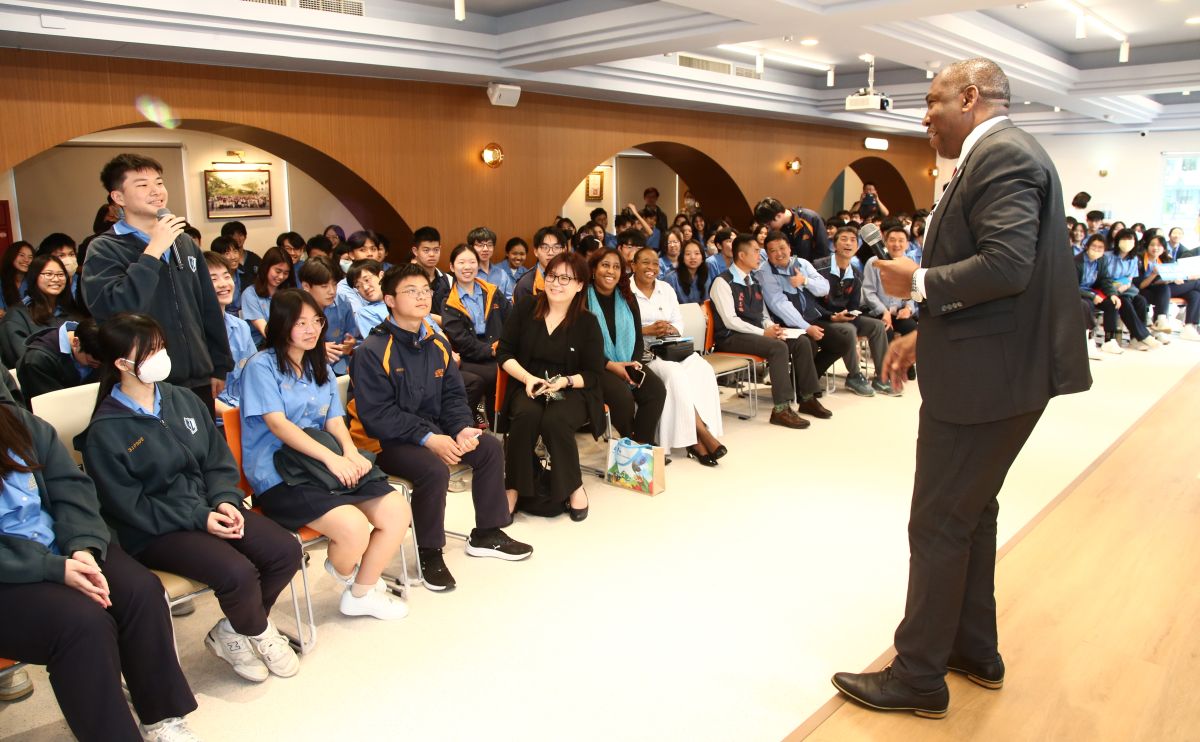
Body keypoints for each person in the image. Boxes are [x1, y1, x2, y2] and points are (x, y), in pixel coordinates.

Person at [831, 57, 1091, 719]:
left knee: (939, 520)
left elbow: (1006, 266)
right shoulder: (1000, 154)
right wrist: (927, 333)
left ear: (970, 97)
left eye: (932, 101)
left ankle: (918, 676)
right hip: (993, 366)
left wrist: (916, 282)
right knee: (972, 513)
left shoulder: (1002, 156)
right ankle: (973, 648)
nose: (924, 117)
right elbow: (998, 280)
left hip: (989, 381)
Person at [77, 313, 304, 682]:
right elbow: (131, 506)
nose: (160, 356)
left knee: (285, 551)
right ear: (121, 364)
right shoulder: (105, 431)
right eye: (149, 351)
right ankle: (259, 632)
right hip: (156, 531)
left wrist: (226, 500)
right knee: (237, 572)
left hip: (209, 507)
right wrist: (200, 518)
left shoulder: (181, 398)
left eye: (160, 347)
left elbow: (216, 460)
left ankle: (232, 631)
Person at [0, 400, 202, 741]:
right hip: (11, 574)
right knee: (82, 625)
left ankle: (162, 717)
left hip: (61, 545)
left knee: (140, 591)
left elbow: (71, 487)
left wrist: (82, 545)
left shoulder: (16, 421)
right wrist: (52, 567)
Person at [348, 264, 531, 592]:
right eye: (411, 291)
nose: (421, 297)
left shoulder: (437, 343)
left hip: (432, 431)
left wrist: (460, 428)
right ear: (390, 300)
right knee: (433, 470)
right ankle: (428, 551)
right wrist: (429, 438)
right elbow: (378, 415)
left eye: (425, 290)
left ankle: (487, 532)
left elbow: (452, 395)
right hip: (384, 442)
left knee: (488, 447)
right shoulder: (372, 351)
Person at [240, 289, 411, 620]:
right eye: (300, 323)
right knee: (353, 528)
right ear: (281, 325)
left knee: (396, 510)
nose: (311, 329)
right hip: (279, 475)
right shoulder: (261, 366)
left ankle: (360, 592)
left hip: (324, 466)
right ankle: (349, 573)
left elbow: (334, 420)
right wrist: (333, 460)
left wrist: (349, 452)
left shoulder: (318, 364)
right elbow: (278, 425)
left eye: (316, 321)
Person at [82, 153, 233, 418]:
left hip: (198, 378)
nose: (156, 191)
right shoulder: (104, 248)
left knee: (204, 444)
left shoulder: (183, 242)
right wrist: (153, 251)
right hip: (146, 381)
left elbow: (207, 307)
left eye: (159, 183)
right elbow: (115, 309)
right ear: (118, 197)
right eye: (142, 185)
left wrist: (218, 365)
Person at [496, 252, 605, 520]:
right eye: (552, 276)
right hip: (528, 382)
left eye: (565, 278)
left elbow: (593, 374)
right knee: (526, 416)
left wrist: (565, 381)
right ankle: (514, 487)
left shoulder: (588, 322)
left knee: (556, 420)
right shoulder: (526, 308)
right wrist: (527, 379)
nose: (556, 283)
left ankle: (573, 486)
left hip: (570, 388)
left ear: (579, 285)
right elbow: (504, 352)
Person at [709, 234, 829, 429]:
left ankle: (807, 398)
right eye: (756, 251)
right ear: (742, 255)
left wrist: (771, 327)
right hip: (731, 337)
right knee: (778, 348)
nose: (760, 255)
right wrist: (763, 333)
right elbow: (731, 321)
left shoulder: (754, 280)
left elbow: (762, 314)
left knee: (802, 341)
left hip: (755, 334)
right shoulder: (723, 282)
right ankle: (781, 409)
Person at [629, 247, 726, 463]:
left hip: (670, 348)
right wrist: (646, 330)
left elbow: (678, 320)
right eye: (645, 262)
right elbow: (622, 328)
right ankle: (698, 437)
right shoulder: (625, 291)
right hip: (645, 355)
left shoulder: (665, 288)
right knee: (675, 374)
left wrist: (672, 329)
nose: (651, 268)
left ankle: (701, 432)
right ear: (633, 265)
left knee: (703, 369)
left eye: (655, 263)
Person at [756, 231, 858, 395]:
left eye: (782, 248)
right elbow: (779, 305)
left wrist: (805, 281)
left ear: (789, 248)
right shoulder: (764, 272)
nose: (779, 253)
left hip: (810, 317)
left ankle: (806, 382)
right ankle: (805, 389)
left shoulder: (802, 263)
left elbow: (824, 288)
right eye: (773, 251)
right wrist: (806, 327)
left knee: (841, 342)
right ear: (767, 254)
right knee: (809, 344)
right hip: (784, 323)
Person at [588, 250, 667, 446]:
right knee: (622, 398)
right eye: (605, 265)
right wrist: (611, 365)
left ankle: (642, 444)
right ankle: (631, 444)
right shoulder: (581, 299)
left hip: (627, 360)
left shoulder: (627, 297)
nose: (611, 271)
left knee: (656, 390)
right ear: (593, 269)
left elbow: (638, 337)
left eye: (616, 267)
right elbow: (579, 345)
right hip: (596, 365)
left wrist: (634, 363)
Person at [815, 226, 898, 396]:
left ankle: (881, 377)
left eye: (853, 240)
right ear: (834, 245)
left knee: (877, 326)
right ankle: (854, 376)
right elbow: (811, 303)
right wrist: (832, 316)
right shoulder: (819, 267)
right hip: (822, 318)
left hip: (844, 318)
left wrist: (850, 315)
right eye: (844, 239)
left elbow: (854, 306)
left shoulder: (856, 274)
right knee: (849, 329)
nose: (849, 243)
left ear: (858, 246)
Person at [442, 244, 510, 424]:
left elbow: (511, 321)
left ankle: (502, 424)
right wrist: (491, 351)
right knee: (494, 374)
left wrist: (503, 346)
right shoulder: (449, 302)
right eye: (461, 262)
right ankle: (486, 422)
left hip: (499, 348)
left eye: (472, 262)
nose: (467, 267)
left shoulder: (492, 291)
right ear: (451, 267)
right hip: (469, 357)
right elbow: (461, 340)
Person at [1, 255, 84, 368]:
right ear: (34, 277)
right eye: (48, 274)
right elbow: (27, 359)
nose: (56, 279)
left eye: (60, 274)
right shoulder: (16, 316)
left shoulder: (72, 313)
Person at [204, 252, 257, 417]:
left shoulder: (241, 327)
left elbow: (255, 375)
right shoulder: (192, 332)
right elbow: (194, 394)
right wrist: (234, 416)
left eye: (227, 276)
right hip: (214, 419)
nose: (223, 284)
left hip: (246, 411)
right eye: (213, 279)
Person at [862, 225, 921, 346]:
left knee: (912, 329)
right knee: (886, 330)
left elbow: (912, 292)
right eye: (892, 240)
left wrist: (908, 308)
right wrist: (884, 311)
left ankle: (909, 360)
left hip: (898, 313)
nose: (896, 244)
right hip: (877, 312)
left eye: (901, 240)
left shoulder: (909, 264)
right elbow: (868, 291)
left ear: (907, 244)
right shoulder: (873, 262)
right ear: (885, 243)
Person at [298, 256, 357, 376]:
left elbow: (354, 337)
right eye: (324, 286)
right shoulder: (294, 308)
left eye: (334, 284)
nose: (332, 291)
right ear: (306, 286)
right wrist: (317, 350)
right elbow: (286, 349)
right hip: (307, 370)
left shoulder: (342, 302)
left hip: (341, 367)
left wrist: (351, 345)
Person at [16, 317, 101, 401]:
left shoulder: (100, 336)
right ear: (76, 343)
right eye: (92, 362)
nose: (97, 367)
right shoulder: (37, 361)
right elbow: (54, 403)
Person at [1102, 229, 1160, 351]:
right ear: (1118, 241)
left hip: (1125, 289)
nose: (1127, 242)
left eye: (1130, 239)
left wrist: (1126, 285)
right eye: (1124, 239)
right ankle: (1143, 335)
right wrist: (1116, 287)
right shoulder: (1107, 256)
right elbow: (1103, 277)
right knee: (1124, 302)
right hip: (1108, 289)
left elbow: (1130, 278)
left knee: (1141, 301)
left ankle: (1135, 339)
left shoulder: (1133, 259)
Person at [1076, 234, 1126, 355]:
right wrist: (1091, 296)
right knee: (1087, 305)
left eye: (1100, 247)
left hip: (1093, 292)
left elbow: (1105, 280)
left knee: (1112, 303)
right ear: (1087, 246)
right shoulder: (1076, 261)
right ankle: (1088, 340)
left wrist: (1112, 294)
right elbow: (1071, 286)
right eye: (1094, 246)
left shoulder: (1102, 260)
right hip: (1079, 294)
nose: (1096, 249)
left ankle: (1109, 340)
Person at [239, 246, 293, 345]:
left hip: (286, 342)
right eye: (278, 271)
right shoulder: (250, 294)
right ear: (266, 267)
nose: (281, 277)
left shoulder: (289, 293)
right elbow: (265, 331)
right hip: (260, 346)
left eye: (286, 273)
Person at [754, 198, 831, 263]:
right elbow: (792, 256)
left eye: (769, 224)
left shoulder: (810, 218)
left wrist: (809, 271)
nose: (769, 228)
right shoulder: (778, 230)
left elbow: (824, 252)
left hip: (815, 271)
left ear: (778, 216)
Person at [512, 227, 566, 303]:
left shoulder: (571, 278)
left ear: (563, 250)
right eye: (545, 247)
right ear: (536, 252)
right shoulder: (526, 283)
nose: (550, 253)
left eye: (556, 247)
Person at [410, 226, 450, 316]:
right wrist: (442, 321)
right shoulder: (406, 279)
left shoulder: (448, 280)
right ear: (415, 251)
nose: (432, 254)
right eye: (426, 250)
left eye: (436, 250)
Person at [36, 233, 82, 303]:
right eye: (61, 255)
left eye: (71, 254)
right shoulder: (43, 286)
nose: (68, 260)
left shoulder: (84, 282)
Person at [667, 239, 711, 304]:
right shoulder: (671, 278)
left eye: (697, 253)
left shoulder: (706, 275)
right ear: (682, 258)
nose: (693, 257)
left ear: (702, 258)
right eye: (688, 254)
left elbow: (707, 301)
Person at [0, 241, 34, 316]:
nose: (26, 260)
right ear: (11, 256)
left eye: (30, 257)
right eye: (21, 255)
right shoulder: (1, 281)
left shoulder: (35, 281)